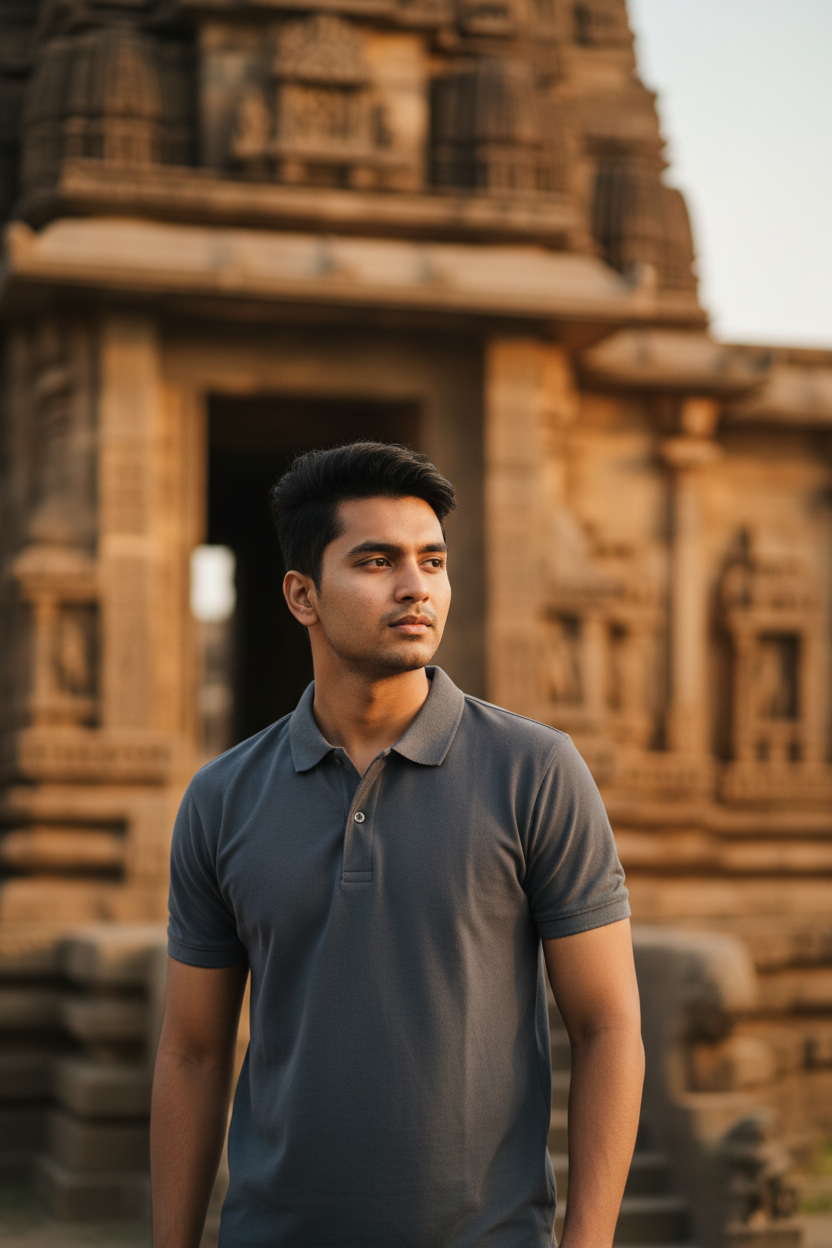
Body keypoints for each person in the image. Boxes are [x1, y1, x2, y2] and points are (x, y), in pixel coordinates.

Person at [150, 440, 644, 1248]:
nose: (417, 587)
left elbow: (609, 1026)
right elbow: (193, 1053)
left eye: (432, 561)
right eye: (377, 561)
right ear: (302, 595)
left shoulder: (537, 771)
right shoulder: (222, 798)